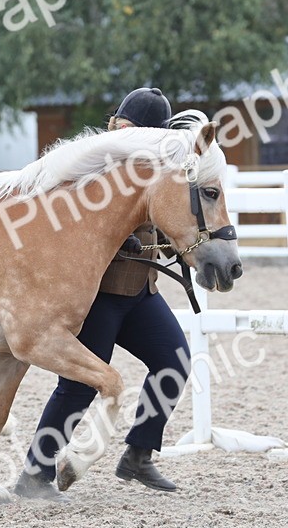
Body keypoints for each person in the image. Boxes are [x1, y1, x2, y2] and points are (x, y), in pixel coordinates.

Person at [15, 87, 189, 503]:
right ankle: (35, 472)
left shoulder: (155, 168)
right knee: (78, 385)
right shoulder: (91, 162)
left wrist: (173, 243)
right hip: (98, 293)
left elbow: (163, 222)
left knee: (174, 360)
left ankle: (139, 453)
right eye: (127, 127)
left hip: (141, 291)